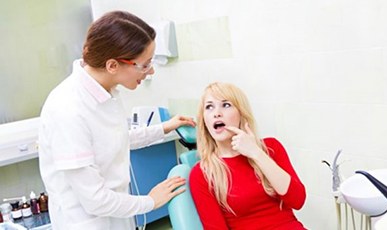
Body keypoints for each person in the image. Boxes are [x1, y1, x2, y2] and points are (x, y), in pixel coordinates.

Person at [38, 11, 195, 230]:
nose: (150, 72)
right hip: (88, 223)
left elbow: (114, 139)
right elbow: (95, 200)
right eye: (145, 64)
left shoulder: (105, 91)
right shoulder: (68, 109)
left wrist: (164, 128)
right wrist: (150, 201)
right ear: (112, 66)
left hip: (117, 218)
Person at [190, 82, 306, 230]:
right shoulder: (202, 174)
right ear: (204, 120)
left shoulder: (271, 148)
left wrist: (256, 153)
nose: (216, 113)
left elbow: (298, 200)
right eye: (209, 107)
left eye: (226, 105)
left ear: (241, 114)